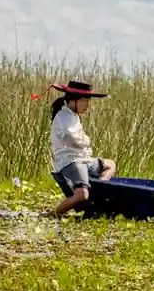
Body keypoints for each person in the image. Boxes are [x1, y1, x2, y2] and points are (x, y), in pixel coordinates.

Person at [48, 80, 117, 217]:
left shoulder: (74, 116)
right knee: (82, 195)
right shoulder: (63, 116)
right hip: (71, 161)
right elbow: (71, 136)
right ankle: (52, 214)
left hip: (83, 160)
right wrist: (86, 140)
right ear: (74, 100)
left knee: (110, 165)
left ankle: (98, 192)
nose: (87, 105)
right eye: (85, 101)